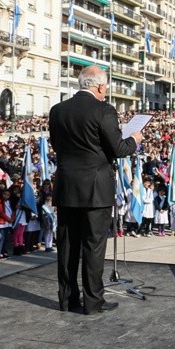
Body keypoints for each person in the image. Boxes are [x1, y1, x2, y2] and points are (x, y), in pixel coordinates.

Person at [49, 65, 143, 315]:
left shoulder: (58, 110)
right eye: (106, 87)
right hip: (95, 189)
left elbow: (56, 145)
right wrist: (135, 139)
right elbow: (119, 149)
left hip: (67, 186)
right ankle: (93, 302)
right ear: (100, 86)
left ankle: (67, 300)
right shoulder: (104, 110)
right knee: (93, 246)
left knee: (68, 246)